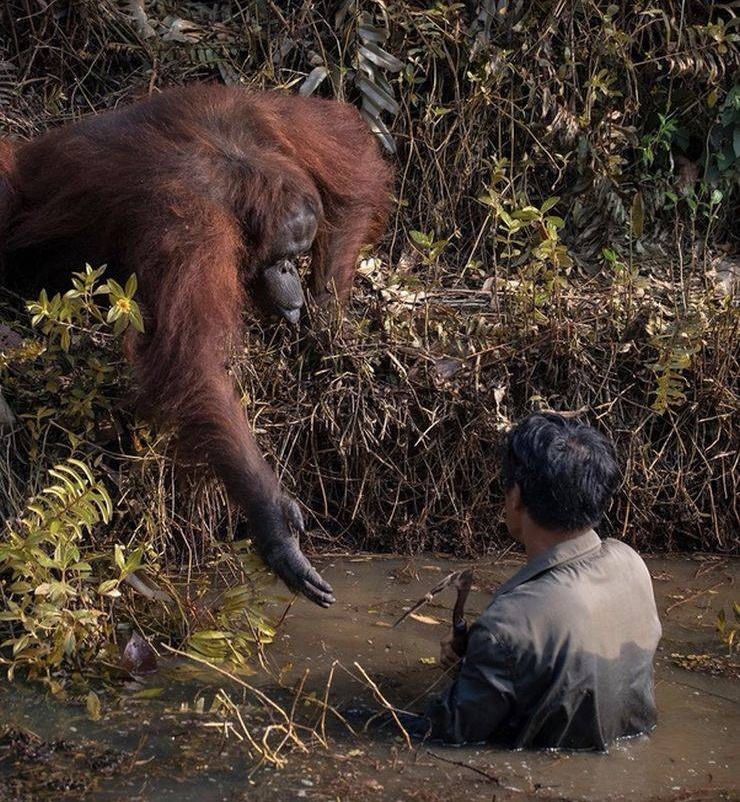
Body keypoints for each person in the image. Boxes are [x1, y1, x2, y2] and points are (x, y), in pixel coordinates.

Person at [424, 412, 662, 750]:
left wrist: (478, 663)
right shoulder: (631, 563)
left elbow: (448, 734)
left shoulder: (507, 626)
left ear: (516, 496)